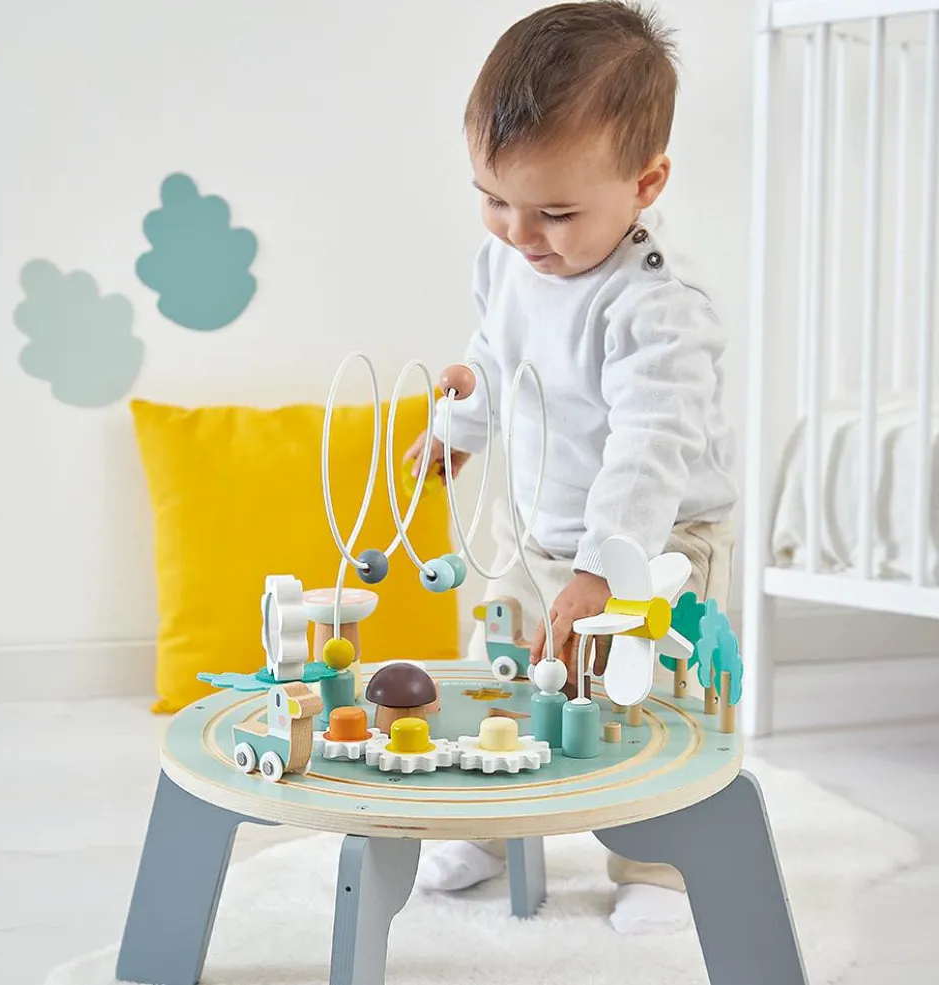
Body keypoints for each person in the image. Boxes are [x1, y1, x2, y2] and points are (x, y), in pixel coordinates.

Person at [403, 1, 739, 935]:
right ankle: (497, 824)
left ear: (646, 182)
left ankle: (661, 860)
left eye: (554, 212)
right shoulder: (510, 260)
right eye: (493, 198)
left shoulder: (659, 304)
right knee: (506, 670)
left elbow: (651, 443)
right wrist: (461, 427)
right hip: (534, 525)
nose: (519, 232)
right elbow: (495, 352)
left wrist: (607, 568)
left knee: (646, 692)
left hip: (655, 544)